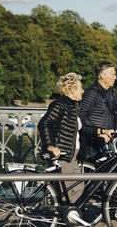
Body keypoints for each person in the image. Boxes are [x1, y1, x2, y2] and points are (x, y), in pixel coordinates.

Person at [38, 72, 85, 203]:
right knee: (68, 192)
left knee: (79, 187)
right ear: (71, 89)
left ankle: (67, 215)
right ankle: (63, 218)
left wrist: (102, 131)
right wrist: (50, 146)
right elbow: (44, 123)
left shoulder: (75, 106)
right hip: (63, 154)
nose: (82, 90)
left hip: (73, 155)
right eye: (80, 87)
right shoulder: (59, 105)